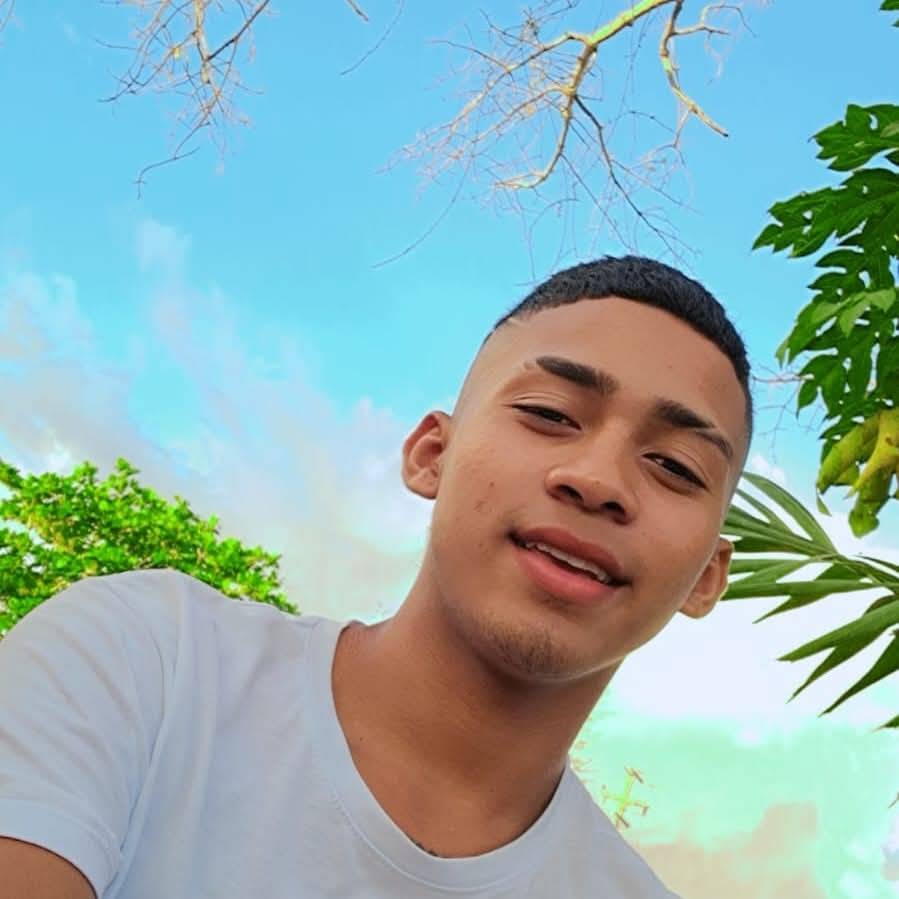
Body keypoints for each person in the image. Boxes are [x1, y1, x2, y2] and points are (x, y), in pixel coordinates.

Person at [0, 255, 752, 898]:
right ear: (432, 455)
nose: (598, 480)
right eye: (550, 414)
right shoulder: (147, 665)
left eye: (674, 466)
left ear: (707, 577)